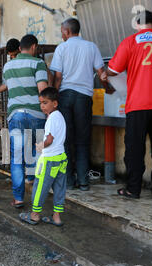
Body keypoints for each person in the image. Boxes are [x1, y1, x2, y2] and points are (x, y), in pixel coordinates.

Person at [101, 10, 152, 201]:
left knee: (135, 148)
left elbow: (114, 69)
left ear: (137, 23)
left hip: (138, 103)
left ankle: (133, 189)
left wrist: (105, 74)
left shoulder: (130, 41)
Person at [50, 18, 109, 191]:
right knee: (83, 140)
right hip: (84, 97)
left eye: (62, 31)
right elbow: (101, 72)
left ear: (67, 32)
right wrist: (109, 89)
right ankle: (83, 181)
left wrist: (54, 99)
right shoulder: (91, 47)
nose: (62, 34)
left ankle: (68, 181)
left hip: (65, 96)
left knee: (66, 140)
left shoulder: (62, 48)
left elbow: (58, 77)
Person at [3, 34, 48, 208]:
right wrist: (50, 113)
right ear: (34, 47)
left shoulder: (8, 66)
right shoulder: (38, 63)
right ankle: (37, 196)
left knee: (17, 158)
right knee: (37, 154)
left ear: (20, 48)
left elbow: (8, 86)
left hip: (16, 115)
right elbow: (43, 92)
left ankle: (19, 198)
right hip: (36, 114)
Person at [19, 87, 67, 226]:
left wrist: (41, 145)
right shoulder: (61, 117)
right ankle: (57, 217)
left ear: (55, 103)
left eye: (45, 103)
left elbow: (50, 139)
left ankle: (34, 215)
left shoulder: (52, 118)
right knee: (59, 188)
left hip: (49, 160)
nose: (42, 106)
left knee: (40, 187)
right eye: (41, 103)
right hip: (61, 158)